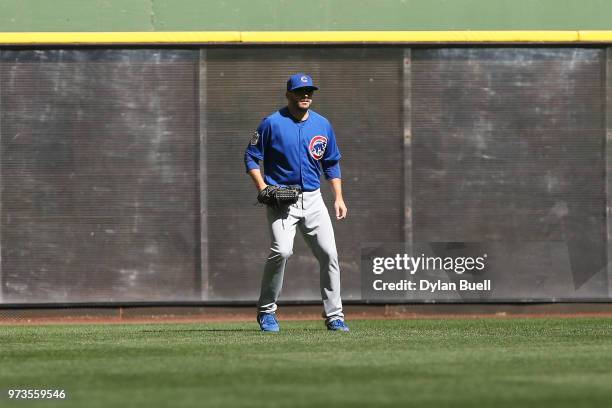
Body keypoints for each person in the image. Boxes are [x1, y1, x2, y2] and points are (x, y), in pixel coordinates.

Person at [244, 73, 349, 332]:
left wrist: (338, 197)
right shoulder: (271, 123)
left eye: (309, 91)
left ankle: (335, 315)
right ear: (288, 94)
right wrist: (263, 187)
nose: (306, 95)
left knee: (330, 255)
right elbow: (250, 157)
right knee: (282, 251)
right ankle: (267, 312)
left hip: (314, 199)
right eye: (300, 91)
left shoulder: (322, 124)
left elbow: (331, 163)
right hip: (282, 200)